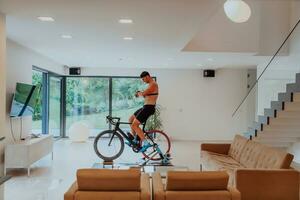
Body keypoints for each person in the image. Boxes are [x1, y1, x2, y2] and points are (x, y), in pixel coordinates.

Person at [128, 71, 159, 152]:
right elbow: (145, 95)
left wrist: (139, 93)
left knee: (135, 125)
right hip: (145, 107)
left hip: (149, 108)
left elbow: (144, 93)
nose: (143, 80)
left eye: (143, 79)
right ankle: (135, 140)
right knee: (131, 119)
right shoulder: (150, 85)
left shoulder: (153, 84)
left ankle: (145, 143)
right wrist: (141, 94)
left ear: (148, 76)